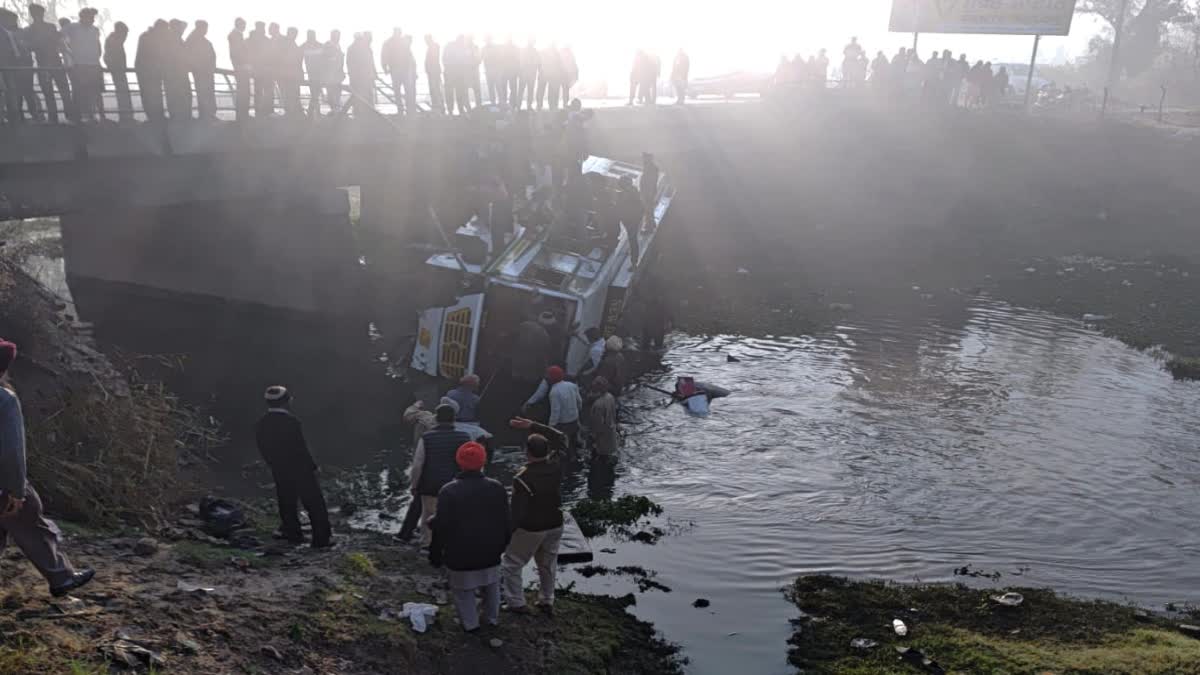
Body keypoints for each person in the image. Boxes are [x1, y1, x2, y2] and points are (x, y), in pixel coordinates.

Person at [0, 340, 96, 597]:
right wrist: (16, 491)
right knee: (30, 516)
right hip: (3, 484)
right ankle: (61, 577)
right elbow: (11, 451)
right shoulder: (4, 400)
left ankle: (61, 576)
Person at [428, 442, 510, 633]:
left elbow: (442, 527)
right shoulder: (497, 487)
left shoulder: (448, 491)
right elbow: (506, 522)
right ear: (484, 462)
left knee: (463, 592)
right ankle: (491, 619)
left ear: (459, 462)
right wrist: (503, 545)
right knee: (492, 587)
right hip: (491, 551)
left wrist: (435, 554)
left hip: (460, 554)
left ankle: (470, 625)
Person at [255, 386, 333, 547]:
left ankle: (293, 534)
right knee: (314, 502)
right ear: (287, 401)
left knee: (286, 501)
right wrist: (312, 467)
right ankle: (321, 539)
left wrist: (273, 464)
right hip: (300, 468)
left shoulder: (262, 423)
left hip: (279, 468)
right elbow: (300, 448)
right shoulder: (291, 422)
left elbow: (262, 448)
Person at [500, 433, 562, 615]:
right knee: (548, 563)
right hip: (556, 522)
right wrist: (533, 426)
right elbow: (562, 440)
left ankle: (516, 602)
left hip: (532, 527)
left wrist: (508, 533)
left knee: (512, 563)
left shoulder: (522, 478)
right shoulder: (557, 467)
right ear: (548, 451)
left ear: (527, 452)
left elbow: (518, 511)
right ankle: (547, 599)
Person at [410, 403, 471, 546]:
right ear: (454, 418)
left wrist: (414, 485)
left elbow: (418, 464)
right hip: (455, 484)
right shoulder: (464, 437)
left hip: (430, 484)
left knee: (428, 513)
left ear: (436, 418)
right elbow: (468, 463)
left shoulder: (426, 437)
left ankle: (426, 543)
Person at [26, 3, 73, 123]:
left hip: (50, 63)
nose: (39, 15)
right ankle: (61, 115)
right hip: (50, 62)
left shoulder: (33, 30)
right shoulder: (47, 28)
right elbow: (57, 42)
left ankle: (60, 115)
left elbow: (57, 42)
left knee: (58, 91)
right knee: (57, 91)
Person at [522, 366, 582, 453]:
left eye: (548, 375)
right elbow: (579, 401)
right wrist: (576, 414)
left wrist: (550, 427)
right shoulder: (572, 385)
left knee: (560, 448)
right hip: (574, 421)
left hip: (563, 424)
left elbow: (555, 411)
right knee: (573, 444)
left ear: (552, 378)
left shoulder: (554, 392)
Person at [63, 8, 100, 122]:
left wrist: (98, 56)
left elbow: (97, 44)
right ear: (83, 17)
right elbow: (59, 38)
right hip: (79, 63)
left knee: (92, 90)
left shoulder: (95, 29)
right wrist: (68, 56)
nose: (93, 19)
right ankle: (78, 115)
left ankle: (91, 114)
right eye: (91, 17)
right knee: (79, 90)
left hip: (93, 64)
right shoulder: (72, 27)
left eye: (93, 17)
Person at [510, 312, 553, 394]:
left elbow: (513, 336)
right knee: (526, 387)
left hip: (518, 360)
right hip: (531, 366)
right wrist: (545, 370)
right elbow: (544, 354)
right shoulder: (545, 336)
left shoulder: (524, 325)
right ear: (549, 325)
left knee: (515, 382)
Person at [134, 20, 166, 122]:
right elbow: (152, 55)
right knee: (151, 93)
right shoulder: (149, 37)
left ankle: (155, 116)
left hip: (148, 70)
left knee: (152, 93)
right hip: (147, 71)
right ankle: (154, 116)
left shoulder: (147, 36)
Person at [185, 20, 216, 120]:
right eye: (205, 28)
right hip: (202, 71)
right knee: (205, 92)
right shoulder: (194, 40)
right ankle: (206, 115)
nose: (206, 30)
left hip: (205, 71)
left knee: (206, 92)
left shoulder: (194, 39)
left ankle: (208, 114)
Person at [103, 22, 132, 122]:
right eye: (125, 34)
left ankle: (126, 115)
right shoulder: (114, 41)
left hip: (118, 69)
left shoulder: (114, 40)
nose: (126, 37)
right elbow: (108, 57)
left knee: (123, 91)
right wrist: (116, 67)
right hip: (117, 69)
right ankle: (126, 115)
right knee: (122, 91)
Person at [163, 19, 191, 120]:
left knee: (177, 95)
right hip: (177, 73)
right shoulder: (174, 39)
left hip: (176, 73)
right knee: (179, 95)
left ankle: (178, 116)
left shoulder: (170, 38)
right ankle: (181, 116)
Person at [587, 376, 618, 460]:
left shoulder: (598, 405)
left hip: (602, 436)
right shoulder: (610, 396)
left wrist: (593, 435)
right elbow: (614, 414)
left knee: (602, 456)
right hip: (611, 430)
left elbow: (598, 424)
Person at [346, 32, 376, 117]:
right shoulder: (353, 48)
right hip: (359, 77)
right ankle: (360, 113)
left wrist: (373, 73)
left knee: (366, 95)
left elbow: (370, 62)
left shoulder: (364, 48)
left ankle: (368, 113)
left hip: (365, 76)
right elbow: (350, 63)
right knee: (359, 95)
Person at [246, 21, 272, 116]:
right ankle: (266, 110)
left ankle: (259, 110)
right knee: (266, 90)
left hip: (257, 69)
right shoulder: (266, 40)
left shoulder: (249, 40)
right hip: (265, 70)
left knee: (259, 91)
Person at [227, 18, 249, 120]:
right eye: (244, 25)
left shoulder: (234, 35)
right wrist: (243, 64)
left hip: (239, 66)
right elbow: (237, 53)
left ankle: (242, 114)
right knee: (243, 91)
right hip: (241, 68)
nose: (245, 27)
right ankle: (242, 114)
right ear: (239, 25)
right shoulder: (236, 35)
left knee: (242, 90)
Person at [301, 30, 325, 117]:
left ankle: (312, 112)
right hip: (315, 74)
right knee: (315, 93)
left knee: (315, 93)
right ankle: (314, 111)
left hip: (316, 73)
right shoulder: (320, 46)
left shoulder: (304, 46)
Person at [323, 30, 345, 113]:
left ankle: (336, 111)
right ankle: (334, 110)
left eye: (338, 36)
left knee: (337, 94)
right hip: (330, 76)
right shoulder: (328, 45)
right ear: (332, 36)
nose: (338, 38)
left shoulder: (338, 45)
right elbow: (327, 60)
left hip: (337, 75)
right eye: (336, 36)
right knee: (331, 94)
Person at [639, 152, 660, 230]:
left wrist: (648, 193)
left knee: (648, 208)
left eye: (644, 157)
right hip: (647, 191)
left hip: (648, 191)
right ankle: (652, 223)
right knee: (649, 208)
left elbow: (651, 182)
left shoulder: (652, 168)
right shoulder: (648, 166)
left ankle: (649, 226)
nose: (643, 158)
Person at [424, 34, 443, 114]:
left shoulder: (434, 46)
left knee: (435, 89)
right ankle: (437, 105)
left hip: (433, 71)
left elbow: (433, 58)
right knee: (434, 89)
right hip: (432, 71)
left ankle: (438, 106)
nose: (425, 41)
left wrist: (429, 68)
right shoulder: (432, 47)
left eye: (426, 39)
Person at [519, 38, 538, 110]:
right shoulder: (523, 50)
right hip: (525, 74)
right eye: (532, 41)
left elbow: (537, 63)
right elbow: (521, 62)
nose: (532, 43)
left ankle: (528, 105)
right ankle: (519, 105)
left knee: (530, 91)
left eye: (533, 41)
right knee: (522, 90)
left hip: (531, 74)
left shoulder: (535, 51)